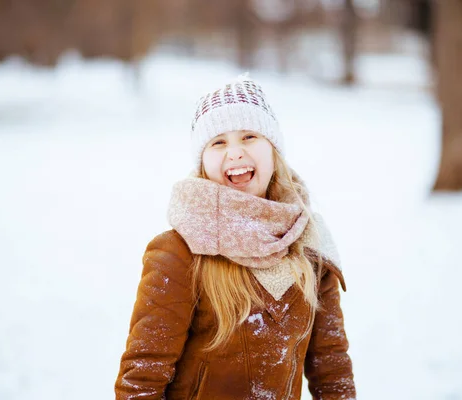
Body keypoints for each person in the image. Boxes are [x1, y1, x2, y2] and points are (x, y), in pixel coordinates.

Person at [114, 76, 356, 399]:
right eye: (218, 142)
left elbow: (332, 371)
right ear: (202, 161)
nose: (235, 153)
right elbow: (140, 383)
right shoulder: (178, 252)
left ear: (272, 149)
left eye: (249, 136)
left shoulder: (308, 243)